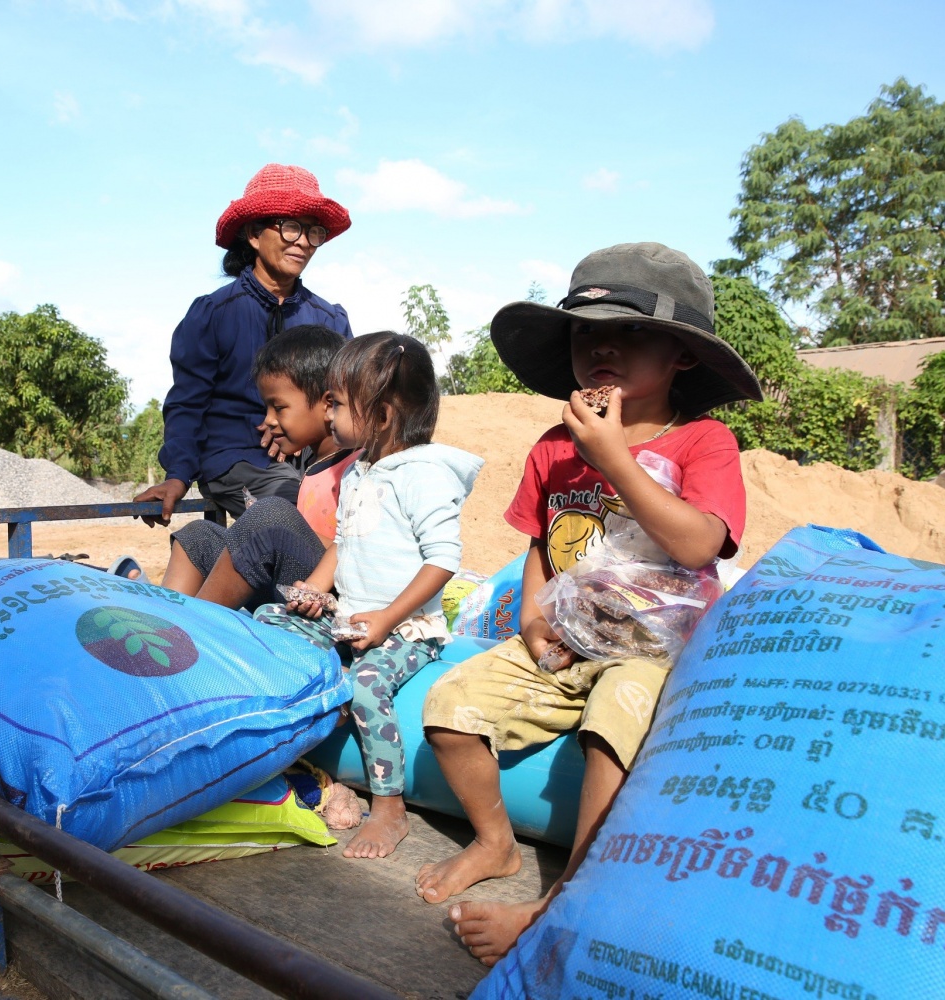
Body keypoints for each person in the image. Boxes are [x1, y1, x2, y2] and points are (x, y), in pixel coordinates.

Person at [411, 243, 762, 964]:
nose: (602, 344)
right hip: (567, 640)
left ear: (683, 356)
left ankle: (567, 900)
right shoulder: (553, 446)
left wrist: (614, 459)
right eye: (585, 331)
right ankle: (496, 842)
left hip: (652, 652)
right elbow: (541, 545)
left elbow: (699, 545)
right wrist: (532, 624)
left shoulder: (704, 443)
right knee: (448, 706)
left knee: (613, 722)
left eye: (630, 331)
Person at [255, 332, 483, 859]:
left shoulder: (424, 474)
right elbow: (344, 541)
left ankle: (388, 806)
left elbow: (443, 559)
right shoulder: (360, 468)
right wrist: (314, 589)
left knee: (367, 683)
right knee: (268, 616)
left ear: (380, 415)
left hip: (406, 628)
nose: (328, 413)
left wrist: (388, 617)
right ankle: (291, 737)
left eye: (336, 402)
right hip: (351, 618)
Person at [136, 164, 352, 524]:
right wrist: (178, 474)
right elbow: (187, 403)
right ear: (253, 234)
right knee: (296, 511)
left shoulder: (330, 321)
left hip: (316, 461)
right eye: (291, 227)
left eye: (314, 231)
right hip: (235, 458)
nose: (303, 242)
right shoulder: (213, 314)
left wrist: (300, 431)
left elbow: (349, 400)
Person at [163, 324, 358, 609]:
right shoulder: (314, 465)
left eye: (278, 408)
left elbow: (360, 551)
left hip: (332, 598)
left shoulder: (360, 468)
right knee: (198, 536)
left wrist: (277, 528)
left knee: (271, 515)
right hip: (294, 586)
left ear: (328, 405)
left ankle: (193, 629)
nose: (268, 420)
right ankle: (165, 619)